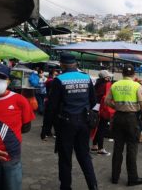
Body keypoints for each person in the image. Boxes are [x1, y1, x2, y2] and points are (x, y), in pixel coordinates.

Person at [47, 53, 97, 190]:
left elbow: (52, 107)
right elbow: (94, 102)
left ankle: (66, 187)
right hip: (84, 123)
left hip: (66, 124)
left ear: (62, 65)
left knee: (65, 158)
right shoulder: (87, 78)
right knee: (85, 157)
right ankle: (93, 186)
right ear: (75, 64)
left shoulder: (59, 80)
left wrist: (46, 129)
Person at [105, 64, 142, 186]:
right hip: (132, 119)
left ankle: (115, 177)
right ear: (134, 74)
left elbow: (107, 101)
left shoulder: (115, 85)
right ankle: (132, 178)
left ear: (122, 74)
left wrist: (117, 107)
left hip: (118, 117)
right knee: (132, 149)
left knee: (118, 148)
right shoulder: (137, 86)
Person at [91, 70, 113, 155]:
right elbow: (106, 97)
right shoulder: (107, 84)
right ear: (105, 77)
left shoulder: (97, 84)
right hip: (103, 108)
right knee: (101, 129)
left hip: (95, 108)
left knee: (97, 127)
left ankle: (94, 145)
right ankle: (100, 148)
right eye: (108, 76)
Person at [40, 69, 59, 140]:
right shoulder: (50, 81)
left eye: (57, 75)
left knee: (53, 119)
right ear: (51, 74)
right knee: (48, 119)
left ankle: (48, 133)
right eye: (55, 74)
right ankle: (45, 133)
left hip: (53, 102)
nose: (56, 76)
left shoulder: (51, 81)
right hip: (50, 102)